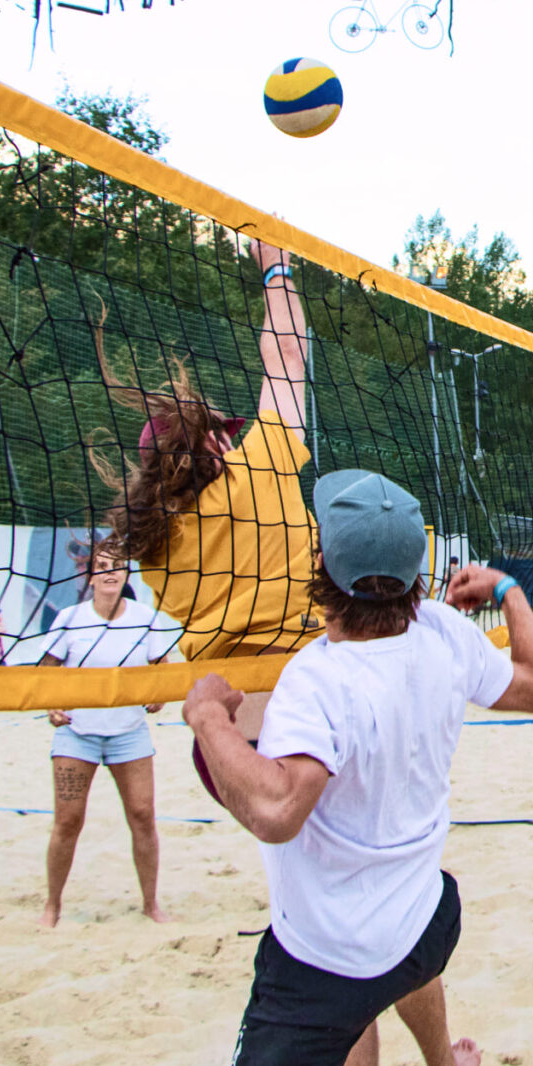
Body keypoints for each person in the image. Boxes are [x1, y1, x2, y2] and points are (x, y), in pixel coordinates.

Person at [184, 469, 533, 1066]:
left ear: (321, 564)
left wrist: (205, 717)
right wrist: (509, 588)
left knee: (342, 1005)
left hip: (321, 959)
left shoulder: (316, 679)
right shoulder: (443, 631)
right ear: (417, 578)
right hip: (425, 921)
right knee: (396, 967)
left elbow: (278, 809)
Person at [93, 236, 315, 746]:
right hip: (303, 690)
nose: (234, 437)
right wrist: (275, 268)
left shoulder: (153, 546)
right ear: (210, 443)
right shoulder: (262, 467)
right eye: (224, 431)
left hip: (228, 726)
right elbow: (287, 353)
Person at [36, 539, 182, 927]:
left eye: (116, 565)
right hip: (77, 732)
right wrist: (50, 704)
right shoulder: (70, 617)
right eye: (102, 565)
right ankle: (52, 906)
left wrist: (159, 693)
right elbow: (45, 671)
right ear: (91, 573)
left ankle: (151, 905)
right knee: (68, 821)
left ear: (125, 572)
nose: (109, 572)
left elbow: (162, 666)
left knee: (142, 815)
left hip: (128, 733)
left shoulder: (144, 617)